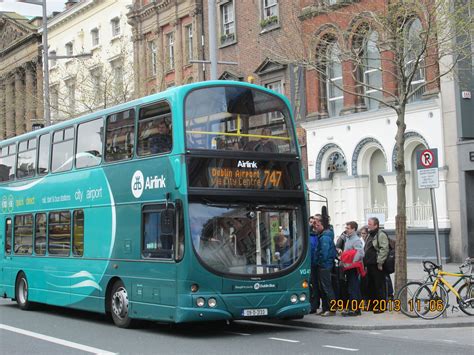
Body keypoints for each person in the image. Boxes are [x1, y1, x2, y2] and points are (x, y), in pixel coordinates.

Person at [363, 217, 389, 313]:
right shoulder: (370, 235)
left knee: (379, 286)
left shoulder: (380, 234)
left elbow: (384, 249)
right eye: (368, 223)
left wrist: (380, 262)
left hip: (376, 265)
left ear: (376, 225)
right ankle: (372, 305)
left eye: (370, 224)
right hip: (369, 264)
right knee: (370, 286)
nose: (368, 225)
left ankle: (381, 307)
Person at [340, 221, 365, 316]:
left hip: (352, 267)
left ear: (353, 229)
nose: (346, 229)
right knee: (351, 287)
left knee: (353, 288)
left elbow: (360, 253)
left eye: (348, 228)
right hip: (348, 267)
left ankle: (355, 309)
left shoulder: (356, 240)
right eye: (346, 227)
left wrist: (352, 262)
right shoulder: (348, 238)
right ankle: (354, 308)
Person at [313, 214, 336, 316]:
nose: (315, 228)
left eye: (317, 226)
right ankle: (325, 308)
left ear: (322, 225)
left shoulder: (325, 237)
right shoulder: (323, 235)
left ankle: (331, 309)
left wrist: (320, 262)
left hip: (325, 266)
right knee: (322, 287)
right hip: (323, 265)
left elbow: (324, 253)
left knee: (326, 287)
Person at [309, 215, 320, 314]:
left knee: (315, 285)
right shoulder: (307, 234)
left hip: (314, 263)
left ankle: (315, 305)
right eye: (311, 222)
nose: (313, 224)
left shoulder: (317, 235)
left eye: (314, 222)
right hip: (308, 262)